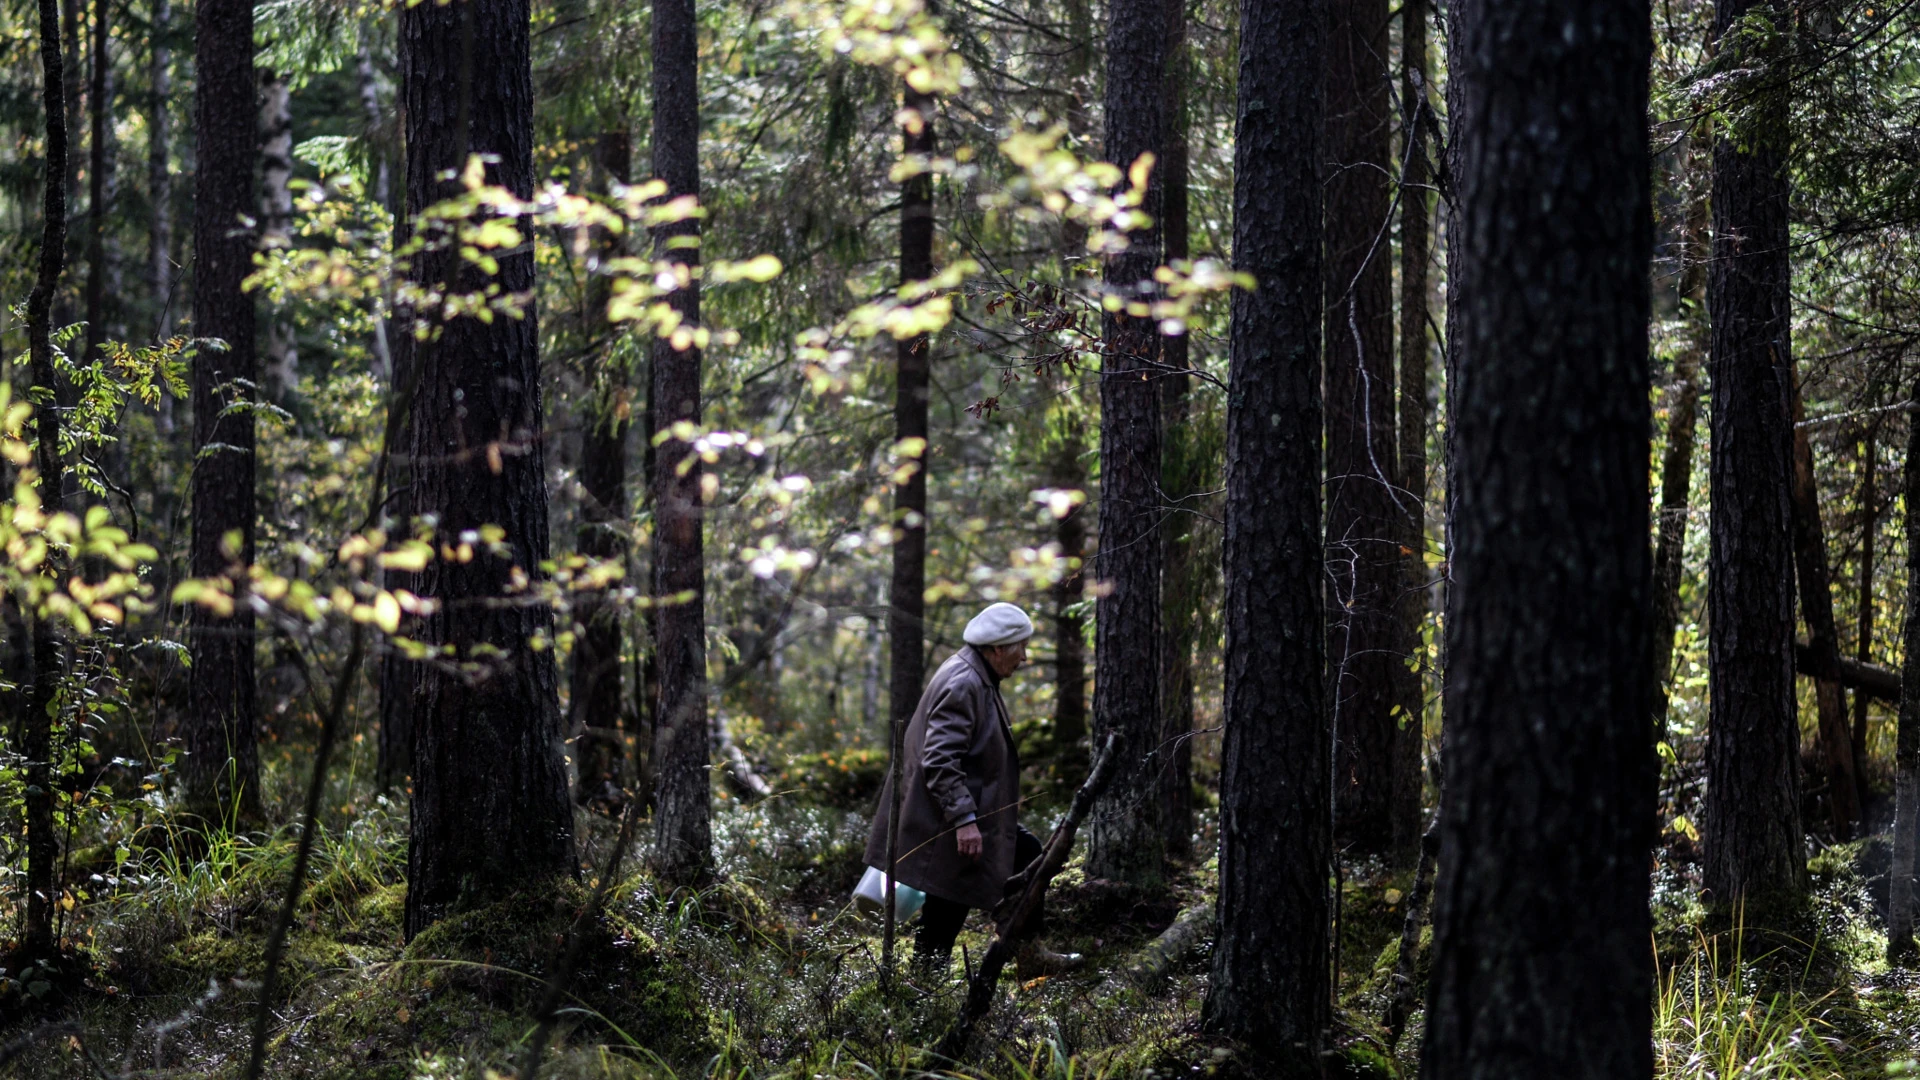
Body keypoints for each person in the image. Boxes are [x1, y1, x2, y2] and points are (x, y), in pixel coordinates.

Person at [864, 601, 1085, 979]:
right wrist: (965, 820)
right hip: (948, 825)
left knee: (1028, 855)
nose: (1025, 657)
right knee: (944, 917)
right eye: (1020, 647)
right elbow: (939, 759)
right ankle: (920, 995)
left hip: (962, 816)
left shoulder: (976, 674)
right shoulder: (964, 683)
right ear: (997, 648)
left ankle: (1026, 950)